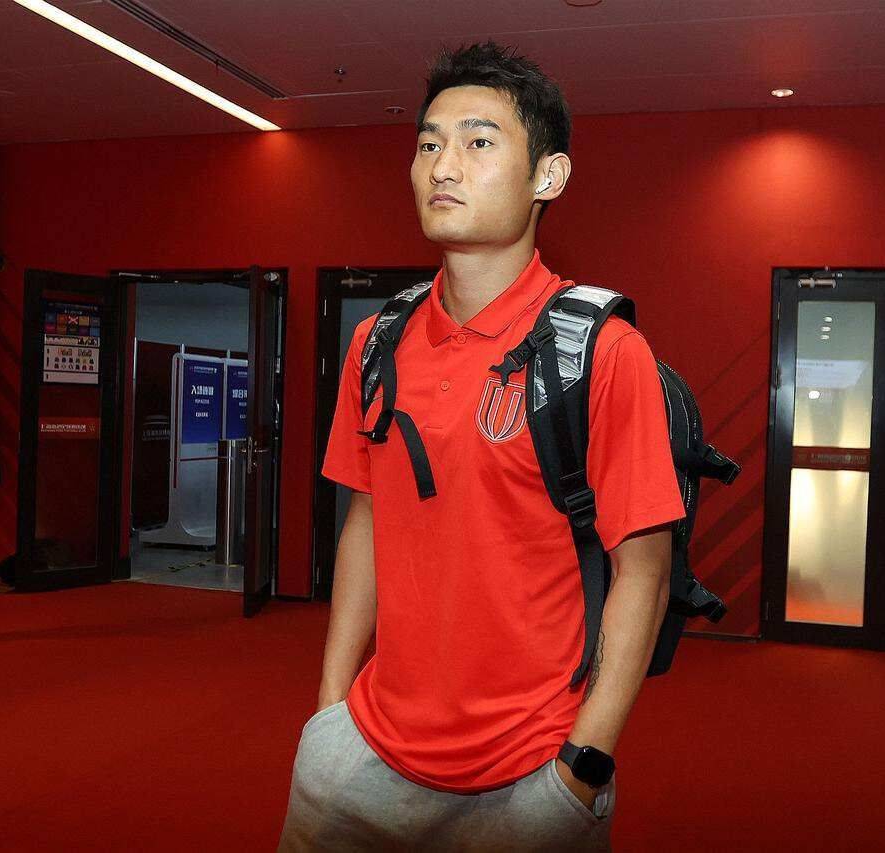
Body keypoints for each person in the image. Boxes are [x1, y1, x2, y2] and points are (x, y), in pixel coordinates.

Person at [279, 44, 686, 850]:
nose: (442, 166)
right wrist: (329, 711)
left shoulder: (603, 353)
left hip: (531, 780)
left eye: (478, 141)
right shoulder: (375, 342)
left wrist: (583, 765)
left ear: (549, 176)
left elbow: (645, 571)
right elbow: (365, 520)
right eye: (429, 143)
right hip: (359, 759)